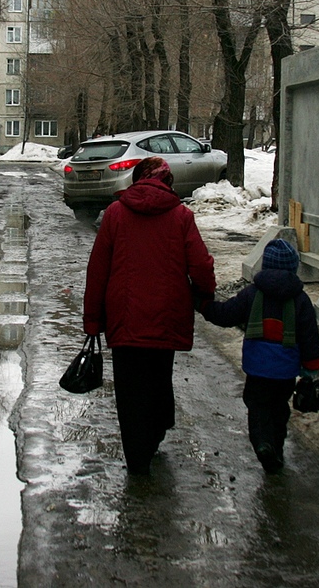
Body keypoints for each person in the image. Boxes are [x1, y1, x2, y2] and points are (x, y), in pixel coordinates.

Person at [82, 157, 216, 475]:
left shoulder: (115, 214)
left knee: (129, 391)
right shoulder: (181, 216)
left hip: (124, 319)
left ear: (136, 180)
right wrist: (205, 293)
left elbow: (97, 270)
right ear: (166, 182)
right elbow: (200, 265)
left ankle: (136, 458)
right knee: (157, 380)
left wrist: (92, 320)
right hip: (166, 318)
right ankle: (154, 434)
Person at [198, 238, 319, 473]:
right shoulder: (300, 300)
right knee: (278, 408)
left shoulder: (252, 294)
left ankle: (263, 444)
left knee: (258, 407)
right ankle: (277, 447)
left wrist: (204, 306)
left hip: (258, 368)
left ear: (265, 266)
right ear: (292, 268)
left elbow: (226, 315)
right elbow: (309, 338)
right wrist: (311, 369)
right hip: (285, 371)